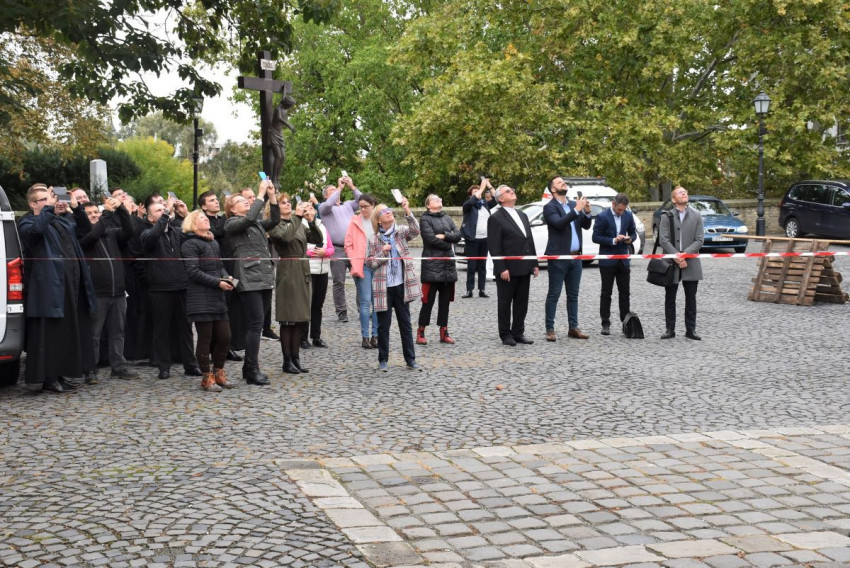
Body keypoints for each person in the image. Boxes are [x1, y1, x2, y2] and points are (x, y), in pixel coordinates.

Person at [19, 184, 97, 393]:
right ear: (33, 204)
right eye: (44, 199)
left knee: (64, 334)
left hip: (69, 287)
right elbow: (35, 232)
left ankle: (61, 374)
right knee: (50, 335)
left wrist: (77, 208)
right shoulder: (27, 222)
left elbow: (84, 230)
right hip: (48, 289)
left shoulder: (60, 221)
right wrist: (48, 208)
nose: (50, 202)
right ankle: (49, 378)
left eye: (50, 198)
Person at [224, 180, 280, 385]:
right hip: (248, 278)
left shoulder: (255, 223)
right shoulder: (231, 223)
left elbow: (275, 219)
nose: (246, 202)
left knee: (258, 324)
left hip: (264, 276)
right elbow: (248, 219)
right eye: (241, 201)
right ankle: (251, 369)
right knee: (255, 324)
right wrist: (260, 195)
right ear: (232, 209)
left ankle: (249, 367)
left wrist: (271, 196)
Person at [140, 197, 201, 379]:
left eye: (164, 209)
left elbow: (195, 231)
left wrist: (184, 213)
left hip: (181, 286)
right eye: (158, 211)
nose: (163, 212)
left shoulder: (176, 231)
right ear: (150, 218)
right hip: (160, 289)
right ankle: (163, 366)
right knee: (162, 329)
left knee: (186, 329)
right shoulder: (146, 234)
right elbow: (154, 235)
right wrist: (167, 212)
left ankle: (190, 364)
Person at [79, 199, 139, 381]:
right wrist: (106, 214)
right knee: (94, 334)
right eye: (89, 214)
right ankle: (90, 369)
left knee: (118, 332)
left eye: (95, 212)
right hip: (97, 294)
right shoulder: (82, 236)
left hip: (118, 292)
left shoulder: (111, 233)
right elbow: (93, 236)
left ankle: (118, 366)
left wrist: (120, 208)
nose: (94, 216)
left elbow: (129, 230)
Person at [181, 210, 236, 391]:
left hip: (217, 297)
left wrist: (226, 276)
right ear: (193, 224)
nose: (206, 219)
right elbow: (193, 271)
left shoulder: (213, 242)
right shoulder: (189, 244)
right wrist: (218, 282)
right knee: (205, 338)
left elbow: (219, 265)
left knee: (225, 336)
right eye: (202, 218)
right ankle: (206, 377)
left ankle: (218, 372)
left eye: (206, 217)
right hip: (200, 297)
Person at [367, 199, 422, 371]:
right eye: (383, 211)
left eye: (389, 209)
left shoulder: (401, 232)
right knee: (384, 326)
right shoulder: (373, 239)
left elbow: (416, 230)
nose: (388, 212)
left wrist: (407, 210)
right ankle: (383, 360)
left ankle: (410, 360)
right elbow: (370, 263)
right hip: (383, 288)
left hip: (401, 285)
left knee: (405, 324)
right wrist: (382, 253)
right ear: (378, 220)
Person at [269, 198, 322, 374]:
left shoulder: (299, 223)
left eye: (288, 202)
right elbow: (285, 238)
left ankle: (296, 358)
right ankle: (287, 360)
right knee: (288, 318)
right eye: (283, 202)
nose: (287, 204)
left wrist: (311, 221)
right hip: (288, 271)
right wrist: (298, 217)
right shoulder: (275, 225)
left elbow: (317, 239)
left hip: (302, 269)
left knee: (300, 317)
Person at [487, 185, 539, 346]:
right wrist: (501, 267)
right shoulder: (496, 218)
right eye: (508, 191)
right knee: (505, 302)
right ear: (501, 198)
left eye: (512, 190)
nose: (513, 192)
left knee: (522, 302)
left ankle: (518, 332)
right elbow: (494, 245)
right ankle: (505, 334)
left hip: (524, 266)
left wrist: (534, 262)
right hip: (507, 268)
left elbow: (529, 240)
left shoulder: (522, 215)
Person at [543, 176, 592, 342]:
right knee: (554, 293)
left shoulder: (572, 204)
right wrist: (577, 210)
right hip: (559, 257)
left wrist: (587, 212)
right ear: (553, 189)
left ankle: (573, 327)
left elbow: (586, 225)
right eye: (559, 182)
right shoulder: (550, 207)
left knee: (573, 294)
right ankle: (550, 329)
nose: (563, 183)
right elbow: (559, 224)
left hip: (576, 256)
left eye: (563, 181)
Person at [659, 185, 704, 340]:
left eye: (685, 191)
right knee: (670, 297)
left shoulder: (697, 215)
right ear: (673, 199)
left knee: (691, 298)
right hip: (671, 263)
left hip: (691, 262)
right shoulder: (666, 216)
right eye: (680, 192)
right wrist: (676, 257)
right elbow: (663, 240)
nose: (684, 193)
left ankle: (690, 330)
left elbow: (699, 240)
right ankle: (669, 329)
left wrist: (684, 255)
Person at [417, 194, 462, 345]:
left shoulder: (447, 218)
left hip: (447, 265)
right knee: (427, 301)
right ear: (428, 205)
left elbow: (458, 235)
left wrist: (445, 236)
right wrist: (448, 243)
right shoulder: (425, 219)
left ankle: (444, 331)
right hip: (432, 265)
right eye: (435, 199)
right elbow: (430, 239)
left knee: (445, 302)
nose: (439, 200)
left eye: (439, 198)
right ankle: (421, 331)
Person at [592, 192, 638, 335]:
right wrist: (613, 240)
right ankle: (605, 322)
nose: (621, 212)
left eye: (623, 210)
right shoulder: (602, 216)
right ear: (613, 204)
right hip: (607, 260)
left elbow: (634, 233)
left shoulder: (628, 215)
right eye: (619, 209)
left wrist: (630, 239)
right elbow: (595, 237)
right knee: (606, 292)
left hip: (623, 259)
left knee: (625, 292)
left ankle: (625, 321)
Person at [318, 175, 362, 322]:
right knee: (339, 282)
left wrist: (351, 186)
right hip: (337, 249)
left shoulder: (348, 204)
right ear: (326, 196)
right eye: (331, 190)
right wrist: (339, 188)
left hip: (354, 248)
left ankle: (363, 309)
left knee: (360, 279)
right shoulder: (324, 208)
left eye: (335, 189)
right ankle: (342, 312)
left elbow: (363, 201)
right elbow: (329, 204)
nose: (336, 191)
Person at [343, 193, 379, 349]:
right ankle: (365, 337)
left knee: (377, 303)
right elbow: (348, 244)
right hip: (362, 265)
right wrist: (354, 261)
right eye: (361, 207)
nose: (363, 209)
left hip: (378, 265)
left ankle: (375, 336)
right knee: (365, 301)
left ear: (373, 205)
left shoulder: (378, 220)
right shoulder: (354, 221)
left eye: (366, 206)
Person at [460, 179, 497, 298]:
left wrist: (489, 186)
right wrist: (481, 188)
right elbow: (472, 201)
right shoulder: (468, 205)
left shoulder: (485, 204)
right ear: (470, 195)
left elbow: (497, 198)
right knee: (471, 266)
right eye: (475, 192)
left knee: (482, 266)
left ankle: (482, 289)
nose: (478, 193)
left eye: (479, 191)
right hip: (472, 239)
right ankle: (469, 290)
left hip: (485, 239)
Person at [302, 202, 332, 349]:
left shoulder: (322, 225)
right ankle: (302, 337)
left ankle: (316, 336)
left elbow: (331, 248)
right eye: (306, 209)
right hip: (309, 270)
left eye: (311, 208)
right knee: (306, 305)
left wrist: (325, 252)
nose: (309, 211)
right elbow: (298, 249)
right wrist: (313, 253)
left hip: (323, 270)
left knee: (318, 305)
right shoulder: (300, 225)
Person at [268, 92, 296, 188]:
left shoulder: (284, 108)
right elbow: (279, 118)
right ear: (286, 103)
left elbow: (283, 95)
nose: (290, 107)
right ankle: (273, 178)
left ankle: (277, 178)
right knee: (278, 156)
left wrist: (284, 88)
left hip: (280, 133)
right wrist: (289, 126)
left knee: (283, 156)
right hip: (274, 133)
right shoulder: (278, 109)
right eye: (290, 105)